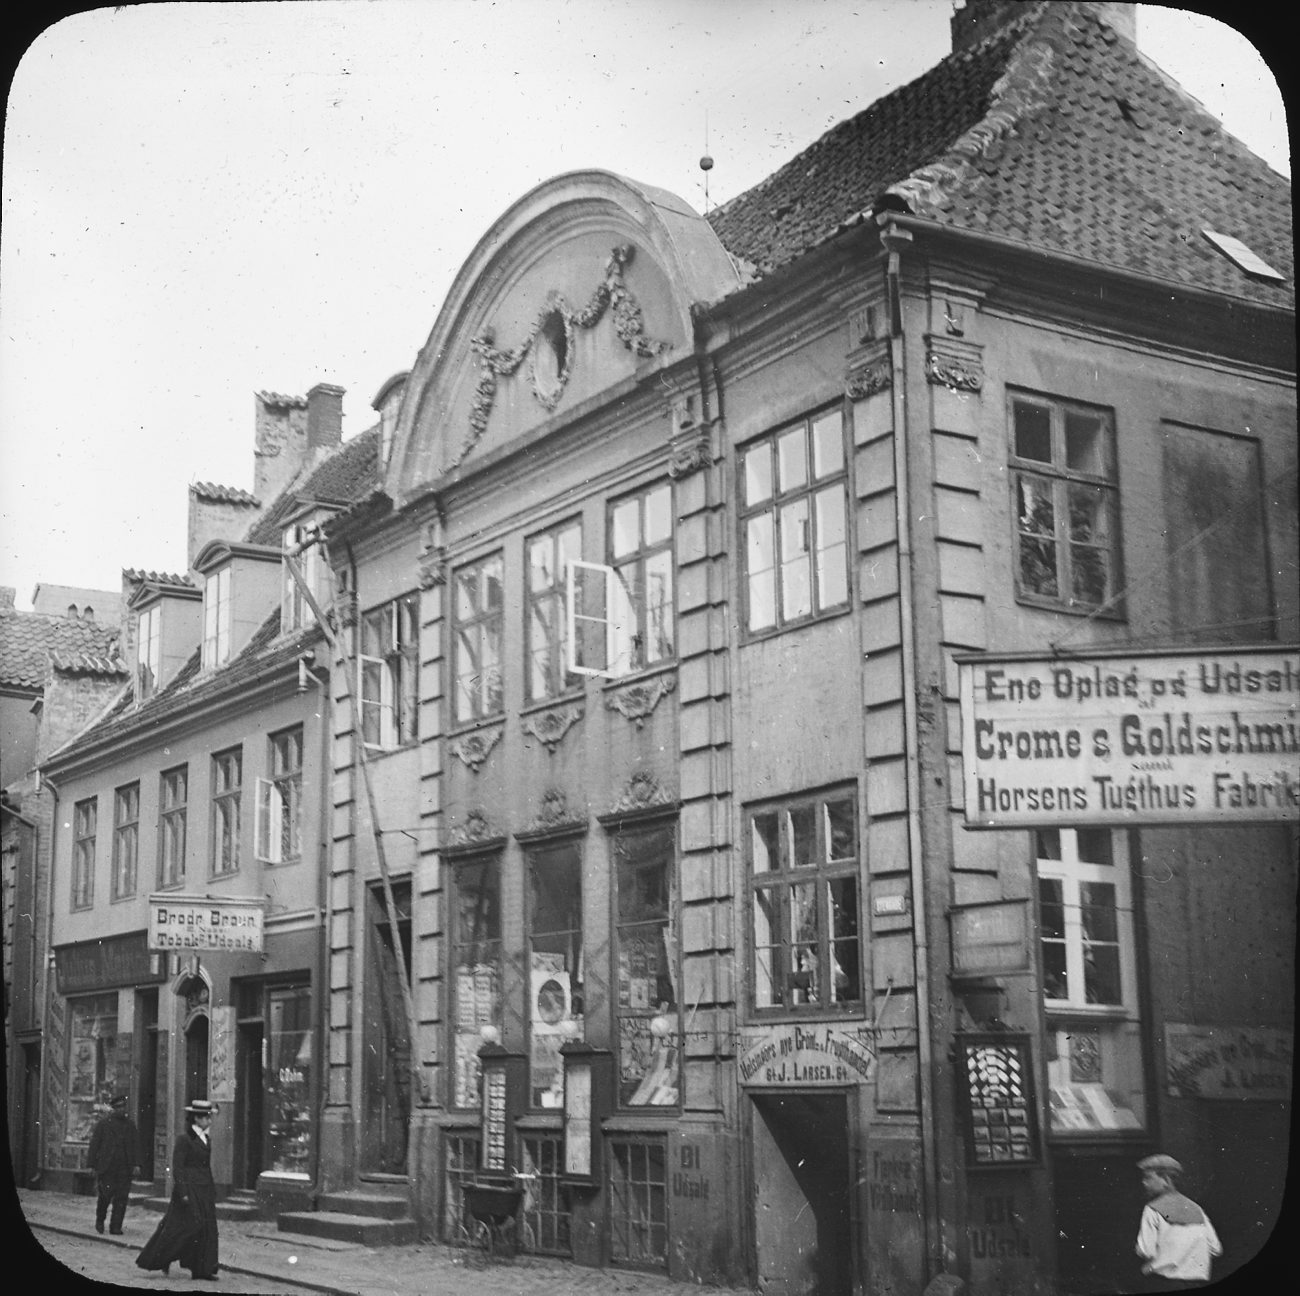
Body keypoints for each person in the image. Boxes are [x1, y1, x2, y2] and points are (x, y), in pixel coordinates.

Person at [136, 1099, 221, 1280]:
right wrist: (183, 1192)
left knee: (206, 1229)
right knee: (185, 1227)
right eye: (206, 1118)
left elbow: (206, 1167)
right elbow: (178, 1168)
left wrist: (211, 1189)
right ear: (196, 1119)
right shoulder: (184, 1140)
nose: (209, 1121)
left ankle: (202, 1270)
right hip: (189, 1189)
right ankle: (164, 1258)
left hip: (204, 1189)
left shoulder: (207, 1139)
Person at [1135, 1153, 1222, 1291]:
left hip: (1162, 1284)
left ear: (1166, 1179)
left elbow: (1146, 1251)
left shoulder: (1152, 1209)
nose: (1144, 1183)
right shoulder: (1197, 1210)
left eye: (1148, 1177)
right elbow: (1216, 1249)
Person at [87, 1093, 138, 1235]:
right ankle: (100, 1221)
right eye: (118, 1107)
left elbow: (136, 1146)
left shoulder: (130, 1125)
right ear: (113, 1109)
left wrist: (136, 1164)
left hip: (124, 1168)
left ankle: (116, 1227)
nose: (121, 1110)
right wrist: (91, 1165)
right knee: (105, 1197)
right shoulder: (103, 1124)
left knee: (121, 1199)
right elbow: (94, 1145)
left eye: (123, 1107)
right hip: (107, 1168)